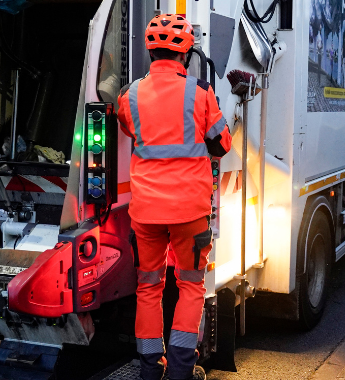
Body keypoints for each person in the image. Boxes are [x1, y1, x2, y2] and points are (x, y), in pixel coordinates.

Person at [116, 14, 232, 380]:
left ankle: (151, 369)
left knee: (148, 288)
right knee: (190, 285)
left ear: (151, 51)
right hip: (190, 212)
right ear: (186, 53)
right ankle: (182, 370)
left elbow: (126, 126)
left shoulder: (129, 95)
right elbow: (222, 143)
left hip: (146, 212)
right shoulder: (199, 92)